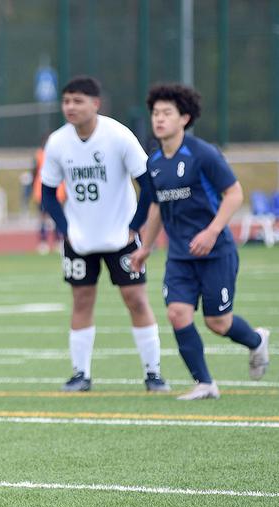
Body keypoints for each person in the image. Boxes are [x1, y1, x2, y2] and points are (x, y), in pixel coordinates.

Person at [130, 83, 270, 400]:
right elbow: (156, 207)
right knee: (177, 313)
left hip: (215, 252)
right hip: (180, 255)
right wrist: (146, 247)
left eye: (167, 113)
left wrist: (211, 231)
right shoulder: (154, 163)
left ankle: (256, 340)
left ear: (185, 118)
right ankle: (205, 383)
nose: (159, 119)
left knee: (218, 322)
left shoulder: (203, 154)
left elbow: (234, 194)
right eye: (155, 113)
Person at [39, 75, 168, 393]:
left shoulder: (118, 136)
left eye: (78, 100)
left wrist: (134, 227)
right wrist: (66, 230)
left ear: (95, 104)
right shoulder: (57, 142)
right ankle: (80, 374)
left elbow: (149, 185)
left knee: (136, 299)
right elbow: (46, 193)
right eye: (66, 100)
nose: (70, 107)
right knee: (81, 300)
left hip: (120, 238)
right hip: (80, 241)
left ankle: (153, 373)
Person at [32, 138, 66, 254]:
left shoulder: (60, 154)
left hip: (58, 191)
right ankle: (43, 242)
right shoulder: (39, 155)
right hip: (41, 191)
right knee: (43, 217)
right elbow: (34, 172)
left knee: (56, 216)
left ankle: (58, 241)